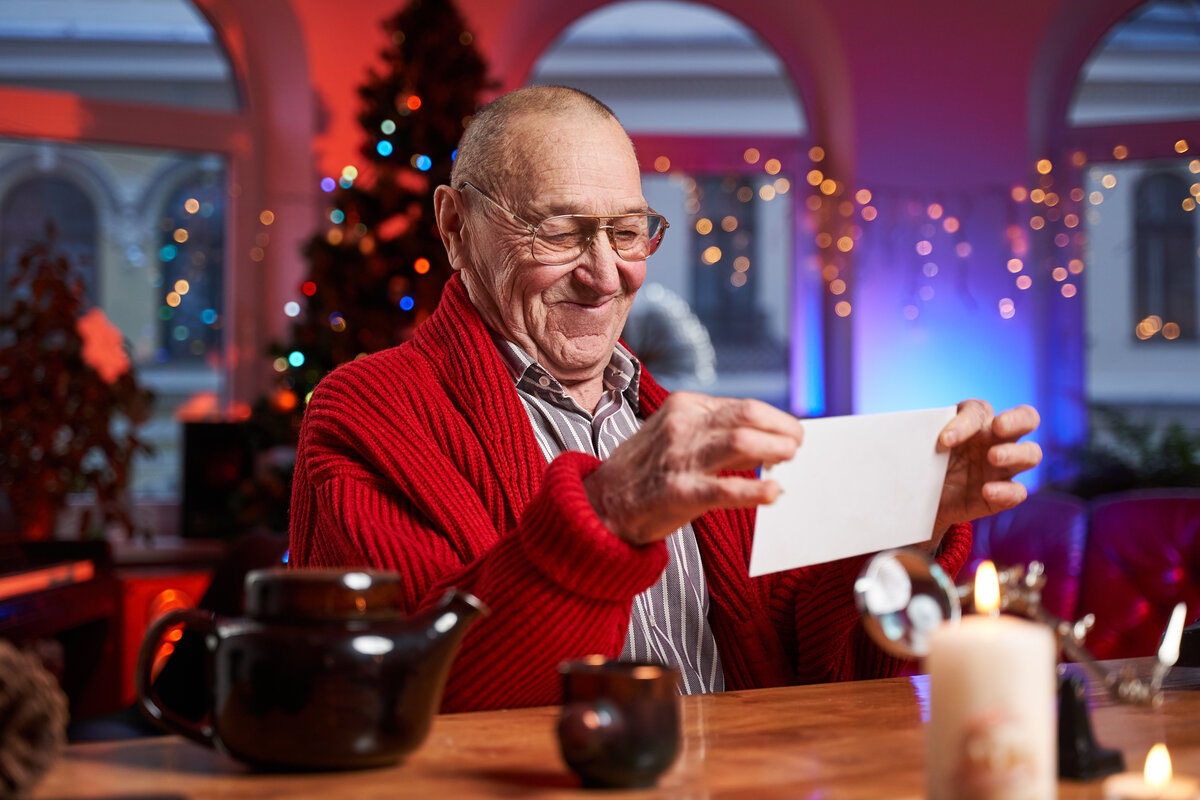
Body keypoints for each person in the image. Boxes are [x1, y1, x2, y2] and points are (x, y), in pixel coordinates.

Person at [288, 85, 1042, 712]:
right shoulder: (365, 415)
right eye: (560, 232)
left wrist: (908, 521)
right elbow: (393, 700)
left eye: (626, 231)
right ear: (455, 227)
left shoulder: (671, 420)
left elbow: (817, 668)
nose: (606, 273)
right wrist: (609, 515)